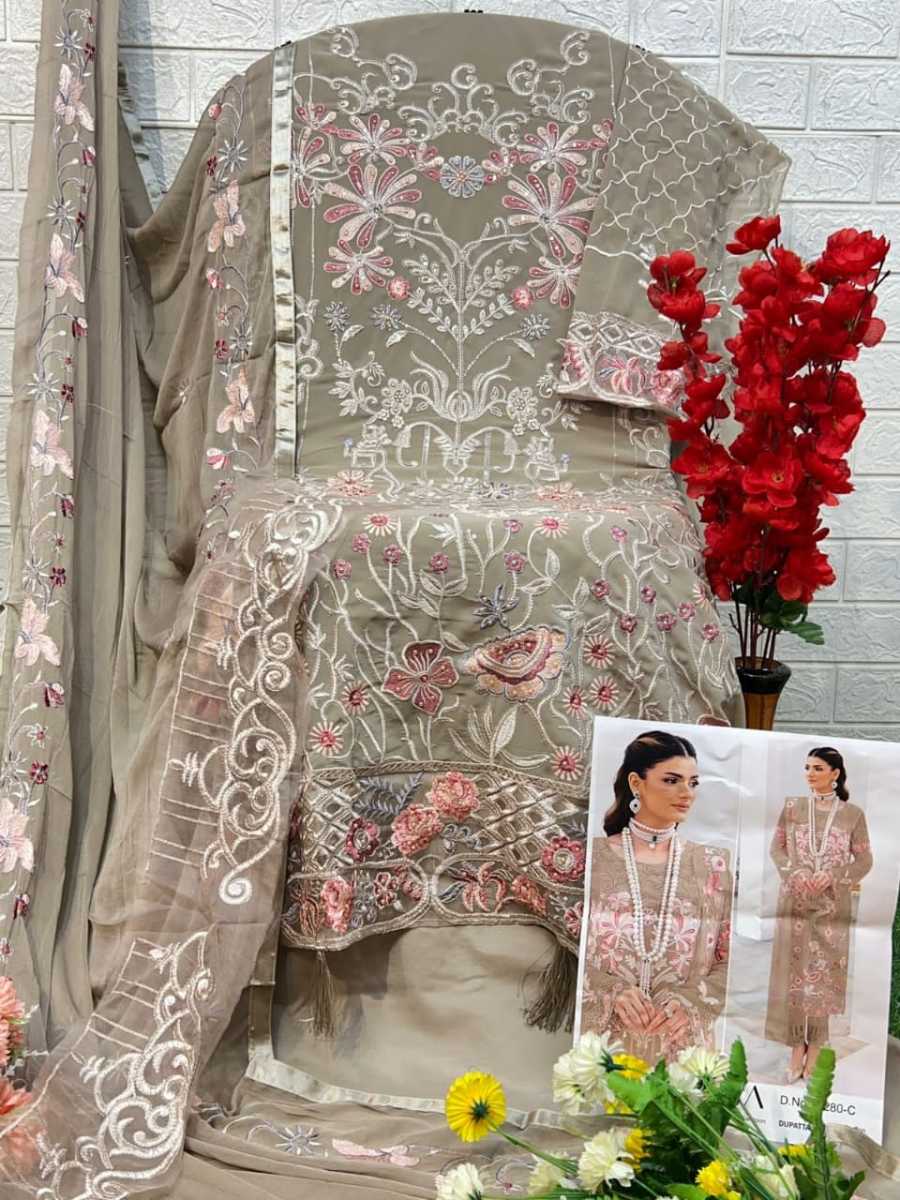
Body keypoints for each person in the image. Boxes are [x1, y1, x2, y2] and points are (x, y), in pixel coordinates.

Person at [580, 730, 733, 1062]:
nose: (686, 793)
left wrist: (691, 1002)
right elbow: (564, 953)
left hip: (682, 1055)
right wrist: (610, 991)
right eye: (672, 780)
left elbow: (730, 959)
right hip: (601, 1053)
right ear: (637, 783)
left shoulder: (713, 865)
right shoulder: (591, 858)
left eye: (693, 783)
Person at [765, 747, 873, 1082]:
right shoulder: (793, 808)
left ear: (835, 774)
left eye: (818, 768)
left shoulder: (852, 814)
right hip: (795, 903)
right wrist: (796, 872)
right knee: (794, 975)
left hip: (830, 908)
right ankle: (796, 1045)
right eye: (807, 767)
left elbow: (865, 860)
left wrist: (834, 875)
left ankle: (816, 1045)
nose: (810, 774)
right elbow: (777, 848)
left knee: (822, 978)